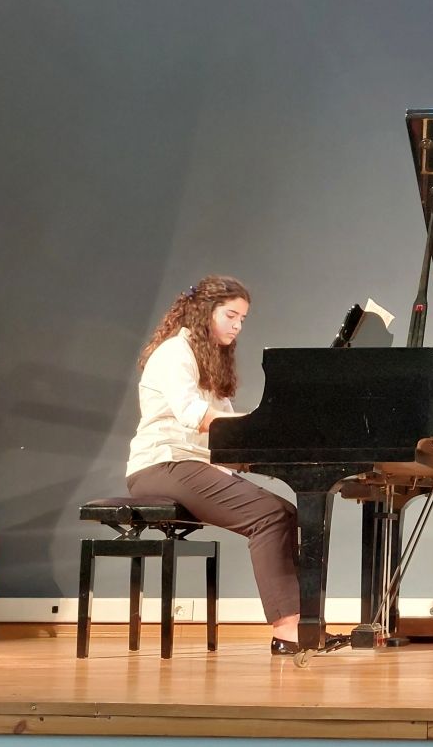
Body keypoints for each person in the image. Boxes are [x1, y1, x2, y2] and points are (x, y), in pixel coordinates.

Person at [125, 275, 329, 655]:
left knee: (285, 512)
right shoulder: (175, 353)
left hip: (189, 466)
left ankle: (303, 621)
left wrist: (273, 441)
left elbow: (229, 437)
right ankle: (287, 629)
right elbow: (196, 416)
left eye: (242, 320)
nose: (237, 326)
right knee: (269, 516)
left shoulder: (210, 360)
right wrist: (261, 423)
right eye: (231, 316)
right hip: (162, 465)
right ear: (205, 312)